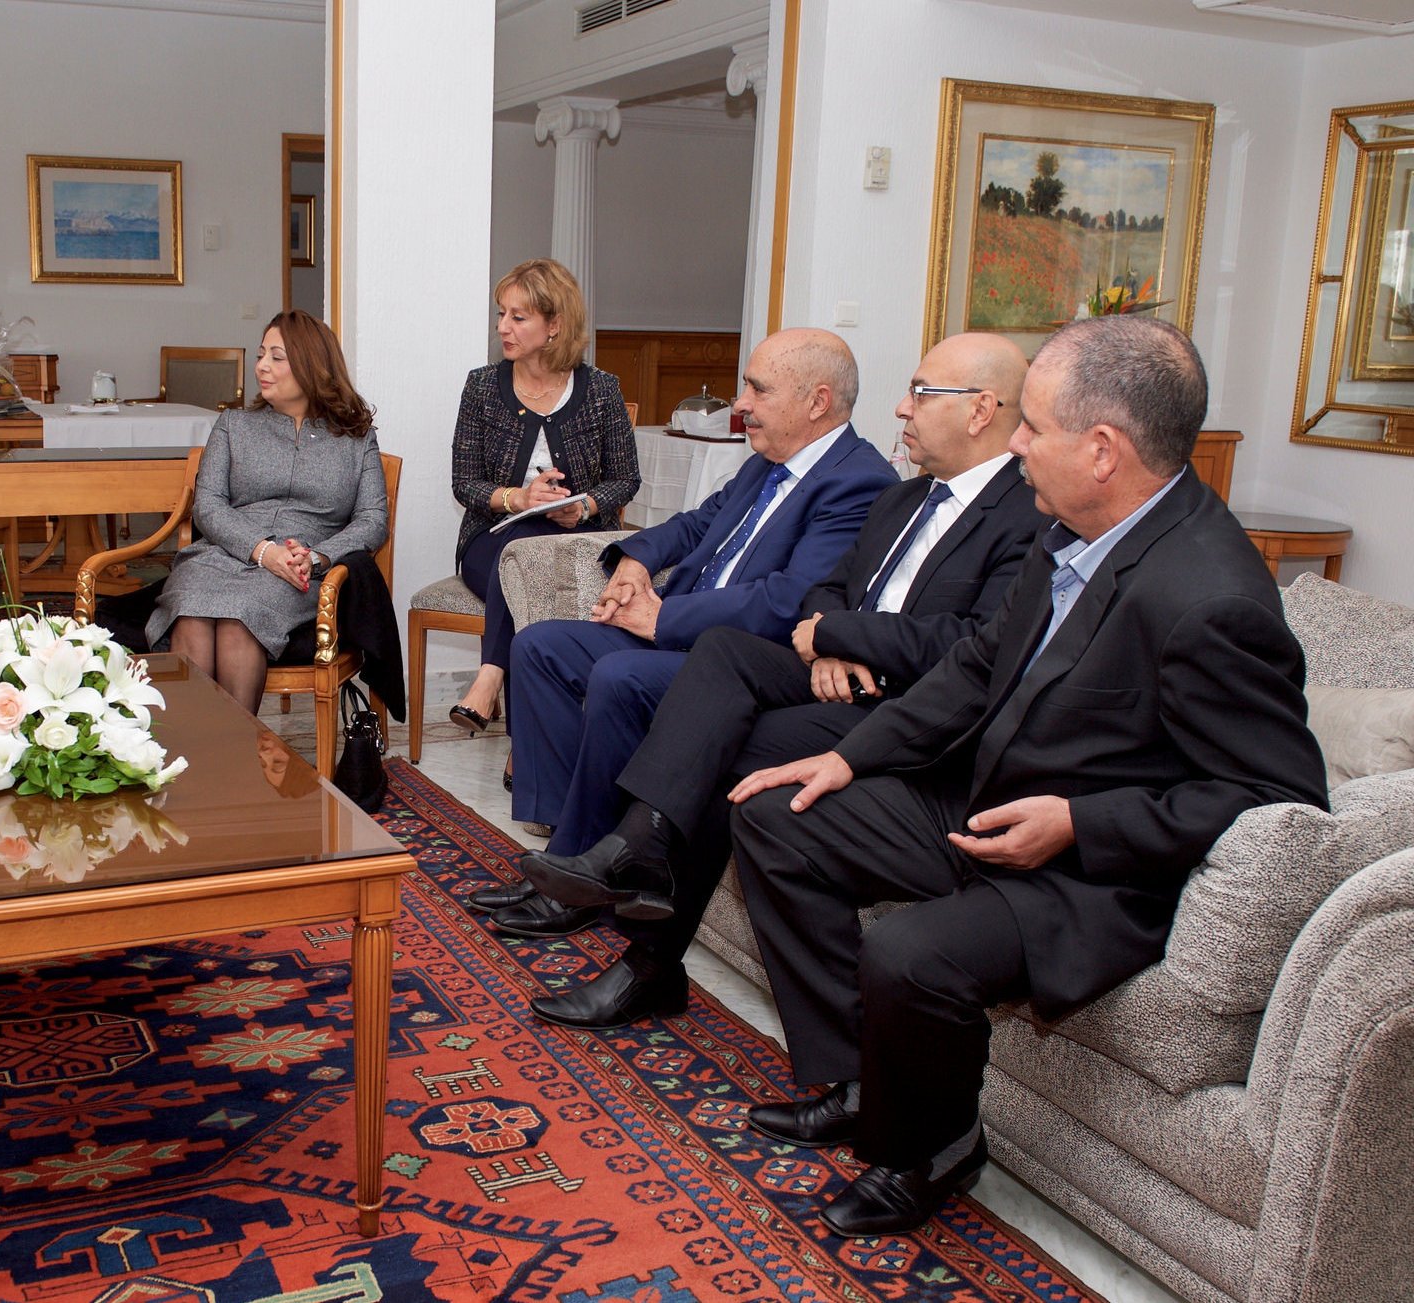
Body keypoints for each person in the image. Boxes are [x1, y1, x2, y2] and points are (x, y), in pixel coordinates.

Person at [722, 316, 1326, 1238]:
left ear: (1101, 450)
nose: (1012, 445)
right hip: (986, 806)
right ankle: (857, 1078)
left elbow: (1277, 799)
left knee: (909, 952)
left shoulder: (1213, 598)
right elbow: (976, 666)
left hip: (1086, 871)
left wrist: (1081, 822)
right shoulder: (1068, 528)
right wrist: (851, 754)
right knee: (780, 813)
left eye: (1030, 428)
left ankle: (934, 1147)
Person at [515, 333, 1043, 1026]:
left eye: (920, 393)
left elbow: (966, 644)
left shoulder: (1026, 516)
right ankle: (632, 855)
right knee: (725, 657)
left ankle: (645, 934)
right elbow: (827, 586)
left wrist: (832, 634)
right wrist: (824, 636)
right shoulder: (908, 496)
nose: (900, 408)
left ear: (980, 410)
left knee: (723, 745)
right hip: (835, 679)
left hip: (913, 711)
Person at [490, 328, 894, 939]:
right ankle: (568, 850)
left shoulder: (858, 482)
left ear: (816, 401)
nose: (741, 404)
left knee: (618, 675)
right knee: (539, 647)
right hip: (679, 627)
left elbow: (788, 601)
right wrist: (634, 559)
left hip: (735, 657)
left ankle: (575, 884)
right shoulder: (766, 463)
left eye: (757, 389)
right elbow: (694, 523)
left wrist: (663, 620)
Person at [147, 310, 388, 712]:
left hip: (299, 566)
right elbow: (208, 505)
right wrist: (261, 550)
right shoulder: (234, 425)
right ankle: (194, 761)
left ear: (312, 365)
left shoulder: (356, 438)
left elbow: (372, 519)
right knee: (189, 610)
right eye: (262, 355)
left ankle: (236, 763)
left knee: (241, 618)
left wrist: (314, 556)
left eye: (277, 357)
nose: (261, 366)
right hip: (221, 554)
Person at [446, 259, 640, 741]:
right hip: (492, 542)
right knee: (525, 556)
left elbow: (625, 479)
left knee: (535, 563)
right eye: (501, 314)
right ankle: (526, 740)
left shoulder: (600, 390)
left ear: (554, 326)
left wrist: (585, 506)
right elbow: (464, 482)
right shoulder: (482, 387)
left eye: (518, 317)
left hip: (580, 541)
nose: (502, 328)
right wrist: (518, 498)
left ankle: (490, 681)